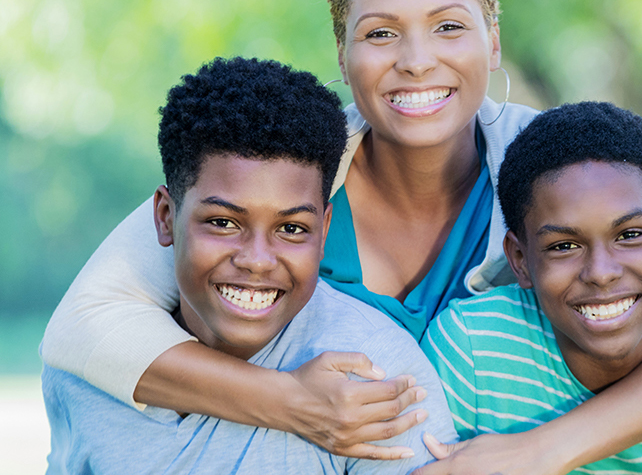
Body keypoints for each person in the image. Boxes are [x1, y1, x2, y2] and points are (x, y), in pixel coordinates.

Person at [41, 0, 642, 474]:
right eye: (381, 33)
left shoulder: (553, 167)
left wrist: (538, 454)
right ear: (343, 52)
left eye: (448, 26)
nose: (416, 61)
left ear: (493, 40)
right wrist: (295, 403)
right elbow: (85, 328)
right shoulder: (284, 171)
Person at [42, 57, 456, 474]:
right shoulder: (86, 378)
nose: (257, 260)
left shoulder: (375, 376)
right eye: (223, 223)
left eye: (292, 228)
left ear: (324, 230)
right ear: (166, 217)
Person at [422, 101, 642, 474]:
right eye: (564, 246)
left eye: (629, 235)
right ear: (519, 259)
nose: (601, 273)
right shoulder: (473, 352)